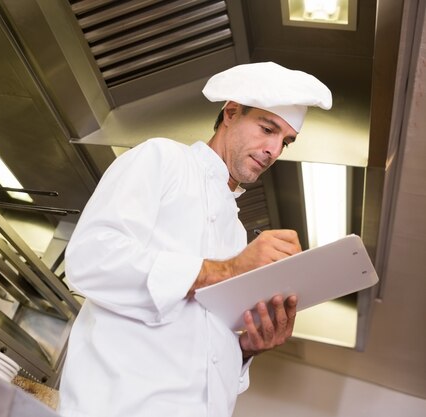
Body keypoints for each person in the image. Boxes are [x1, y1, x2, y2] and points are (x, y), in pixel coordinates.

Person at [57, 62, 332, 417]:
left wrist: (246, 348)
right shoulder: (163, 159)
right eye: (267, 129)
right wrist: (229, 269)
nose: (274, 150)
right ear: (231, 113)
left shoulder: (235, 232)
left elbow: (205, 354)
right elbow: (90, 259)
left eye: (285, 142)